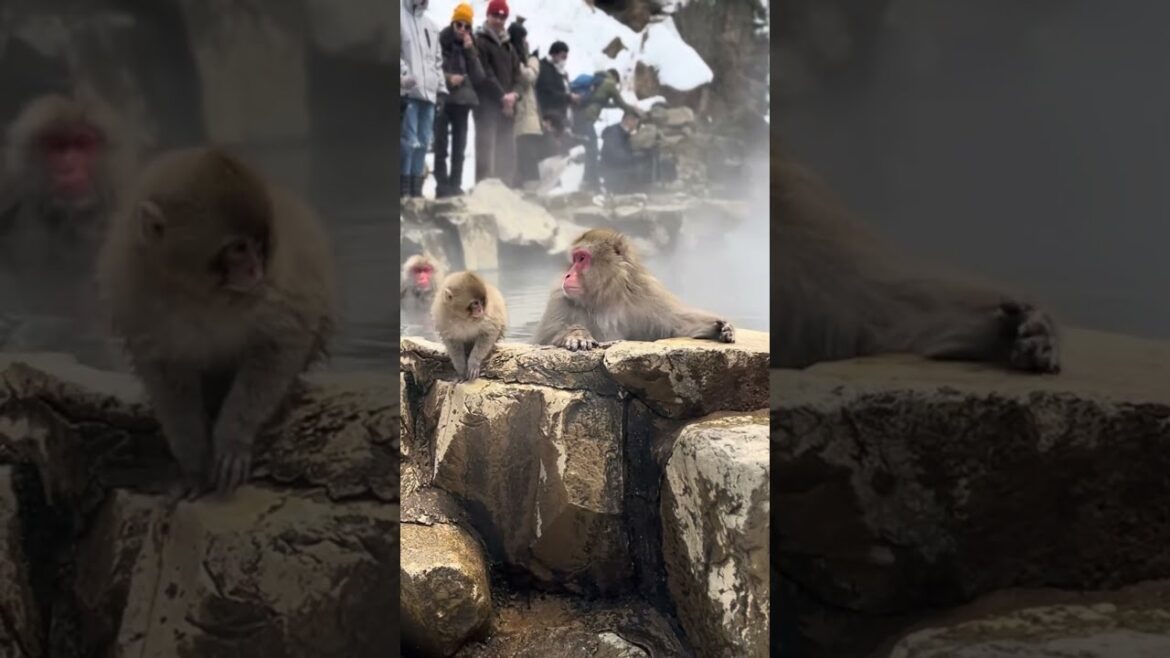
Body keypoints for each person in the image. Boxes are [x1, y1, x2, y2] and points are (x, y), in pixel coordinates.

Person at [434, 3, 485, 198]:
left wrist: (470, 51)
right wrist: (448, 78)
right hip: (443, 98)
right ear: (452, 23)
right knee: (440, 146)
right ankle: (442, 185)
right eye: (459, 25)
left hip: (463, 102)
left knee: (459, 146)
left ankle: (455, 185)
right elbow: (433, 67)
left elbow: (479, 76)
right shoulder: (440, 40)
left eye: (467, 26)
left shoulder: (471, 45)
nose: (463, 29)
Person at [400, 0, 446, 198]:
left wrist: (441, 89)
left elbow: (437, 62)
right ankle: (403, 191)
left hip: (429, 95)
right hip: (408, 92)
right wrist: (403, 75)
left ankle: (416, 192)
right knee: (408, 143)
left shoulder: (432, 26)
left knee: (424, 142)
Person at [472, 0, 520, 185]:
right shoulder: (480, 41)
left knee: (507, 150)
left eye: (503, 17)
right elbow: (485, 73)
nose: (499, 20)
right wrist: (503, 96)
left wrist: (514, 95)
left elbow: (518, 76)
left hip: (507, 107)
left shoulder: (509, 46)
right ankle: (483, 189)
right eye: (495, 16)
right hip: (486, 105)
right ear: (488, 16)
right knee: (486, 149)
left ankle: (505, 188)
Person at [572, 68, 641, 192]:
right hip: (587, 118)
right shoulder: (609, 83)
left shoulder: (597, 83)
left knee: (587, 147)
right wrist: (633, 110)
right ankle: (590, 181)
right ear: (614, 77)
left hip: (577, 117)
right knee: (592, 149)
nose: (615, 85)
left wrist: (622, 106)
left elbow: (602, 103)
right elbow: (620, 102)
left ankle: (587, 179)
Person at [509, 21, 542, 189]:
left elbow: (529, 77)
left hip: (528, 115)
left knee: (529, 155)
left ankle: (531, 189)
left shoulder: (530, 59)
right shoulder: (511, 53)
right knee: (518, 156)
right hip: (516, 113)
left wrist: (520, 62)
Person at [599, 110, 650, 195]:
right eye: (635, 123)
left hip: (616, 171)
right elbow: (616, 156)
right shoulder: (614, 133)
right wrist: (637, 157)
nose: (636, 127)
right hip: (613, 173)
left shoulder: (621, 132)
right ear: (629, 120)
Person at [535, 41, 575, 126]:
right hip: (547, 117)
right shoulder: (544, 68)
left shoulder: (560, 71)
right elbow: (546, 93)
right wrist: (568, 97)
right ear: (554, 54)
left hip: (560, 117)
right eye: (563, 56)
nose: (564, 60)